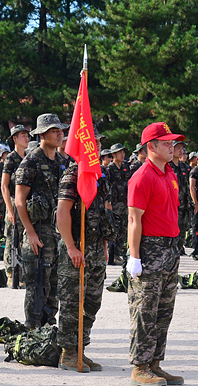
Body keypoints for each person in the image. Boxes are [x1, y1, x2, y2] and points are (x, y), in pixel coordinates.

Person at [125, 123, 185, 386]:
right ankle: (139, 366)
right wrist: (135, 257)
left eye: (173, 143)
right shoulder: (142, 177)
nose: (172, 146)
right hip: (150, 248)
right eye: (167, 143)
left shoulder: (169, 172)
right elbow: (134, 220)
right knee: (145, 309)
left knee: (164, 309)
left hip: (170, 247)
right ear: (151, 146)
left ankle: (155, 363)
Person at [55, 128, 111, 372]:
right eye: (93, 142)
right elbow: (62, 212)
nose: (97, 146)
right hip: (77, 248)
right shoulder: (72, 175)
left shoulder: (99, 176)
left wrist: (104, 245)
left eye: (98, 142)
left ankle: (81, 348)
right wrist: (70, 246)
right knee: (71, 302)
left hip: (96, 249)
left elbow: (103, 215)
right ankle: (68, 352)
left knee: (92, 302)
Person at [14, 114, 70, 329]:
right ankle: (33, 331)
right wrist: (30, 233)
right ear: (42, 134)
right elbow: (20, 201)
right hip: (38, 232)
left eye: (60, 130)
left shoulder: (63, 162)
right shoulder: (31, 161)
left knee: (55, 285)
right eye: (54, 130)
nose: (59, 134)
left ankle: (48, 330)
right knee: (37, 286)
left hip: (58, 234)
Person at [1, 125, 30, 286]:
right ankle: (11, 272)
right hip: (13, 200)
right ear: (14, 139)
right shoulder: (11, 159)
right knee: (12, 237)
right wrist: (9, 209)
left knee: (24, 238)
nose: (26, 138)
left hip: (26, 203)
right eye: (23, 135)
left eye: (27, 135)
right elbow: (4, 185)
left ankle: (23, 271)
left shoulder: (28, 157)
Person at [105, 144, 130, 265]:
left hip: (125, 203)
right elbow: (107, 186)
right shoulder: (109, 169)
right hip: (114, 203)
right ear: (113, 155)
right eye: (119, 152)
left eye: (123, 152)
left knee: (124, 229)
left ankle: (120, 253)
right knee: (113, 229)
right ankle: (112, 254)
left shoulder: (126, 167)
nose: (122, 154)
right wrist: (108, 202)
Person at [169, 140, 193, 251]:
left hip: (184, 205)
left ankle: (178, 250)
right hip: (172, 206)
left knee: (182, 231)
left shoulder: (184, 167)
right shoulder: (167, 166)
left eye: (182, 148)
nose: (181, 150)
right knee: (172, 233)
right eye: (178, 148)